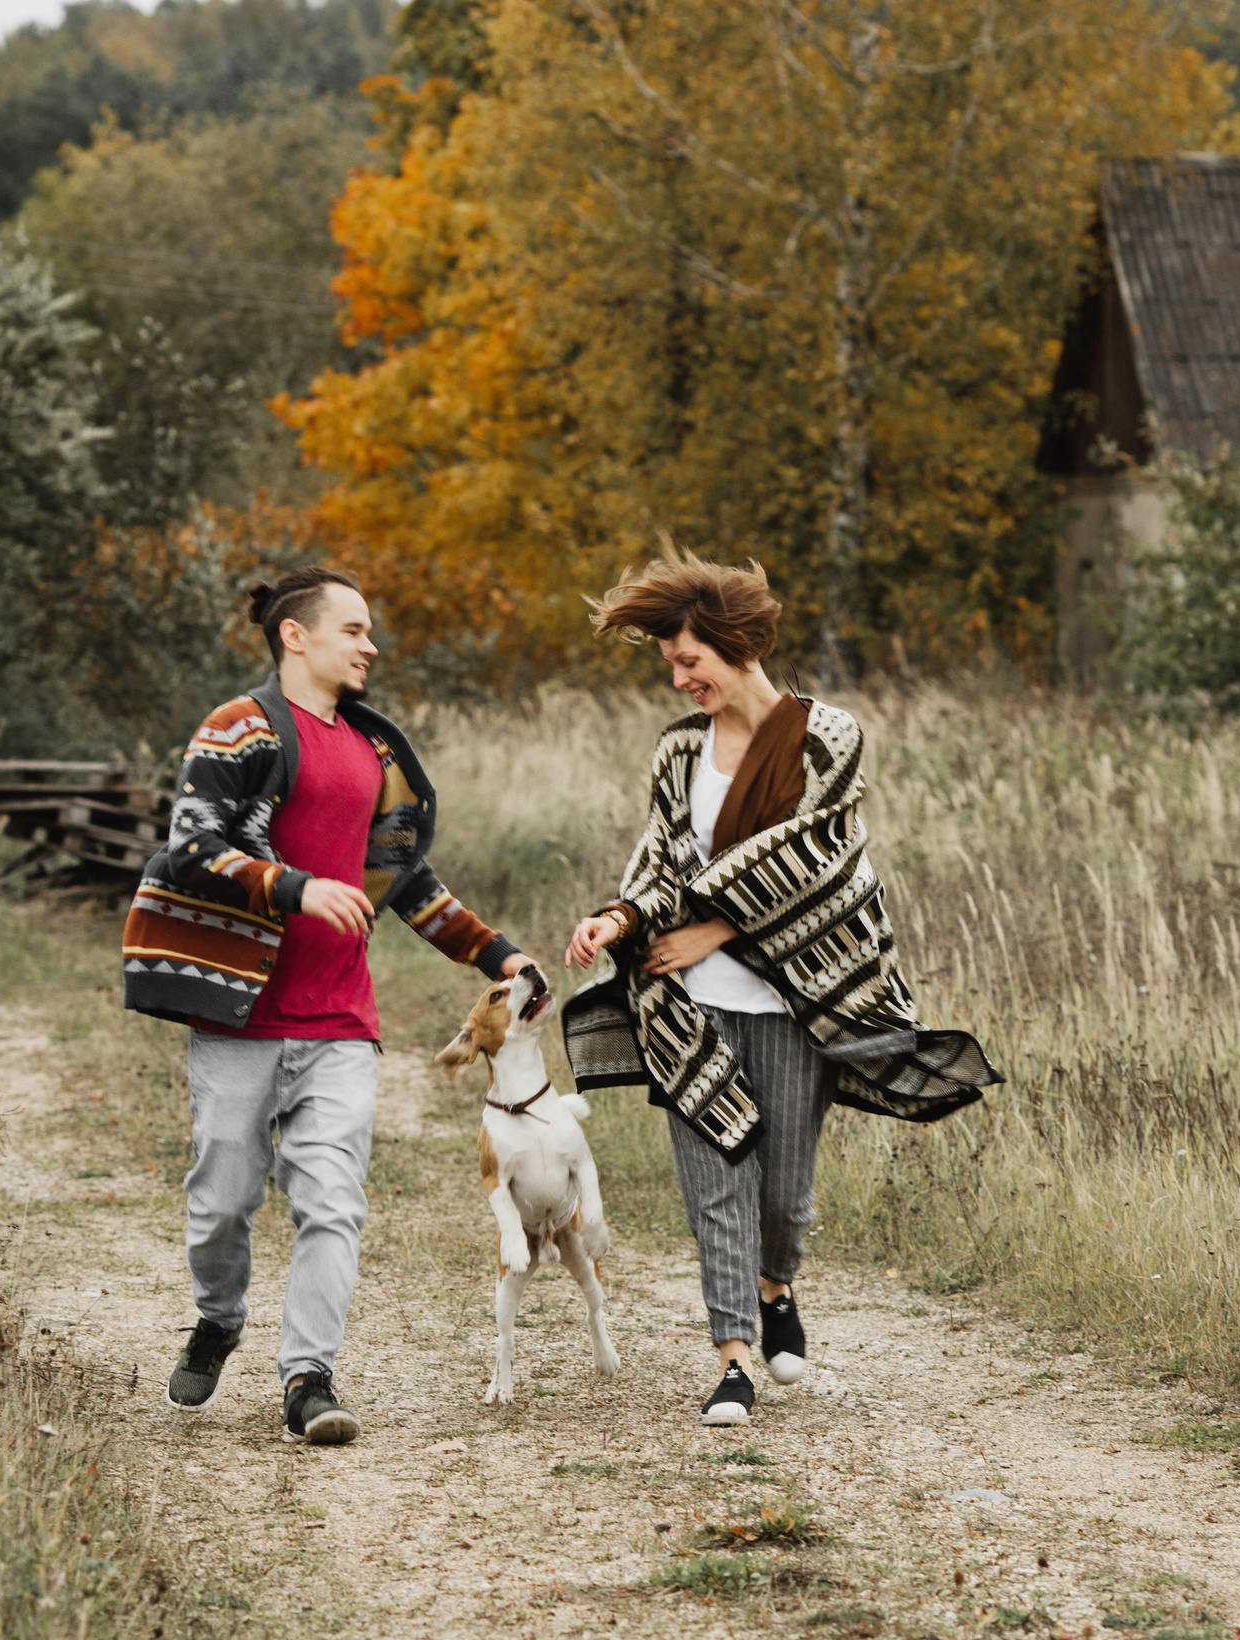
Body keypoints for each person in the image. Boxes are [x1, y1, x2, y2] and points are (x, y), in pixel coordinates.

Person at [562, 550, 1000, 1426]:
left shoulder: (827, 737)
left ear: (739, 645)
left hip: (800, 1002)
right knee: (716, 1184)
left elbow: (820, 861)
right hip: (689, 1005)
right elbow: (660, 858)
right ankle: (733, 1358)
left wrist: (713, 927)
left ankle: (777, 1285)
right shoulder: (679, 749)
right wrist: (621, 917)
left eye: (691, 660)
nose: (680, 679)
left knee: (785, 1193)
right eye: (671, 665)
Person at [123, 564, 536, 1445]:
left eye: (369, 630)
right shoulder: (239, 727)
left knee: (334, 1200)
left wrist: (498, 952)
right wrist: (295, 886)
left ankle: (308, 1377)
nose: (369, 645)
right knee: (221, 1200)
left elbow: (406, 879)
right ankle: (218, 1317)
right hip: (239, 1016)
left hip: (341, 1019)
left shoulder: (374, 752)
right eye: (353, 628)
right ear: (295, 635)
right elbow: (191, 846)